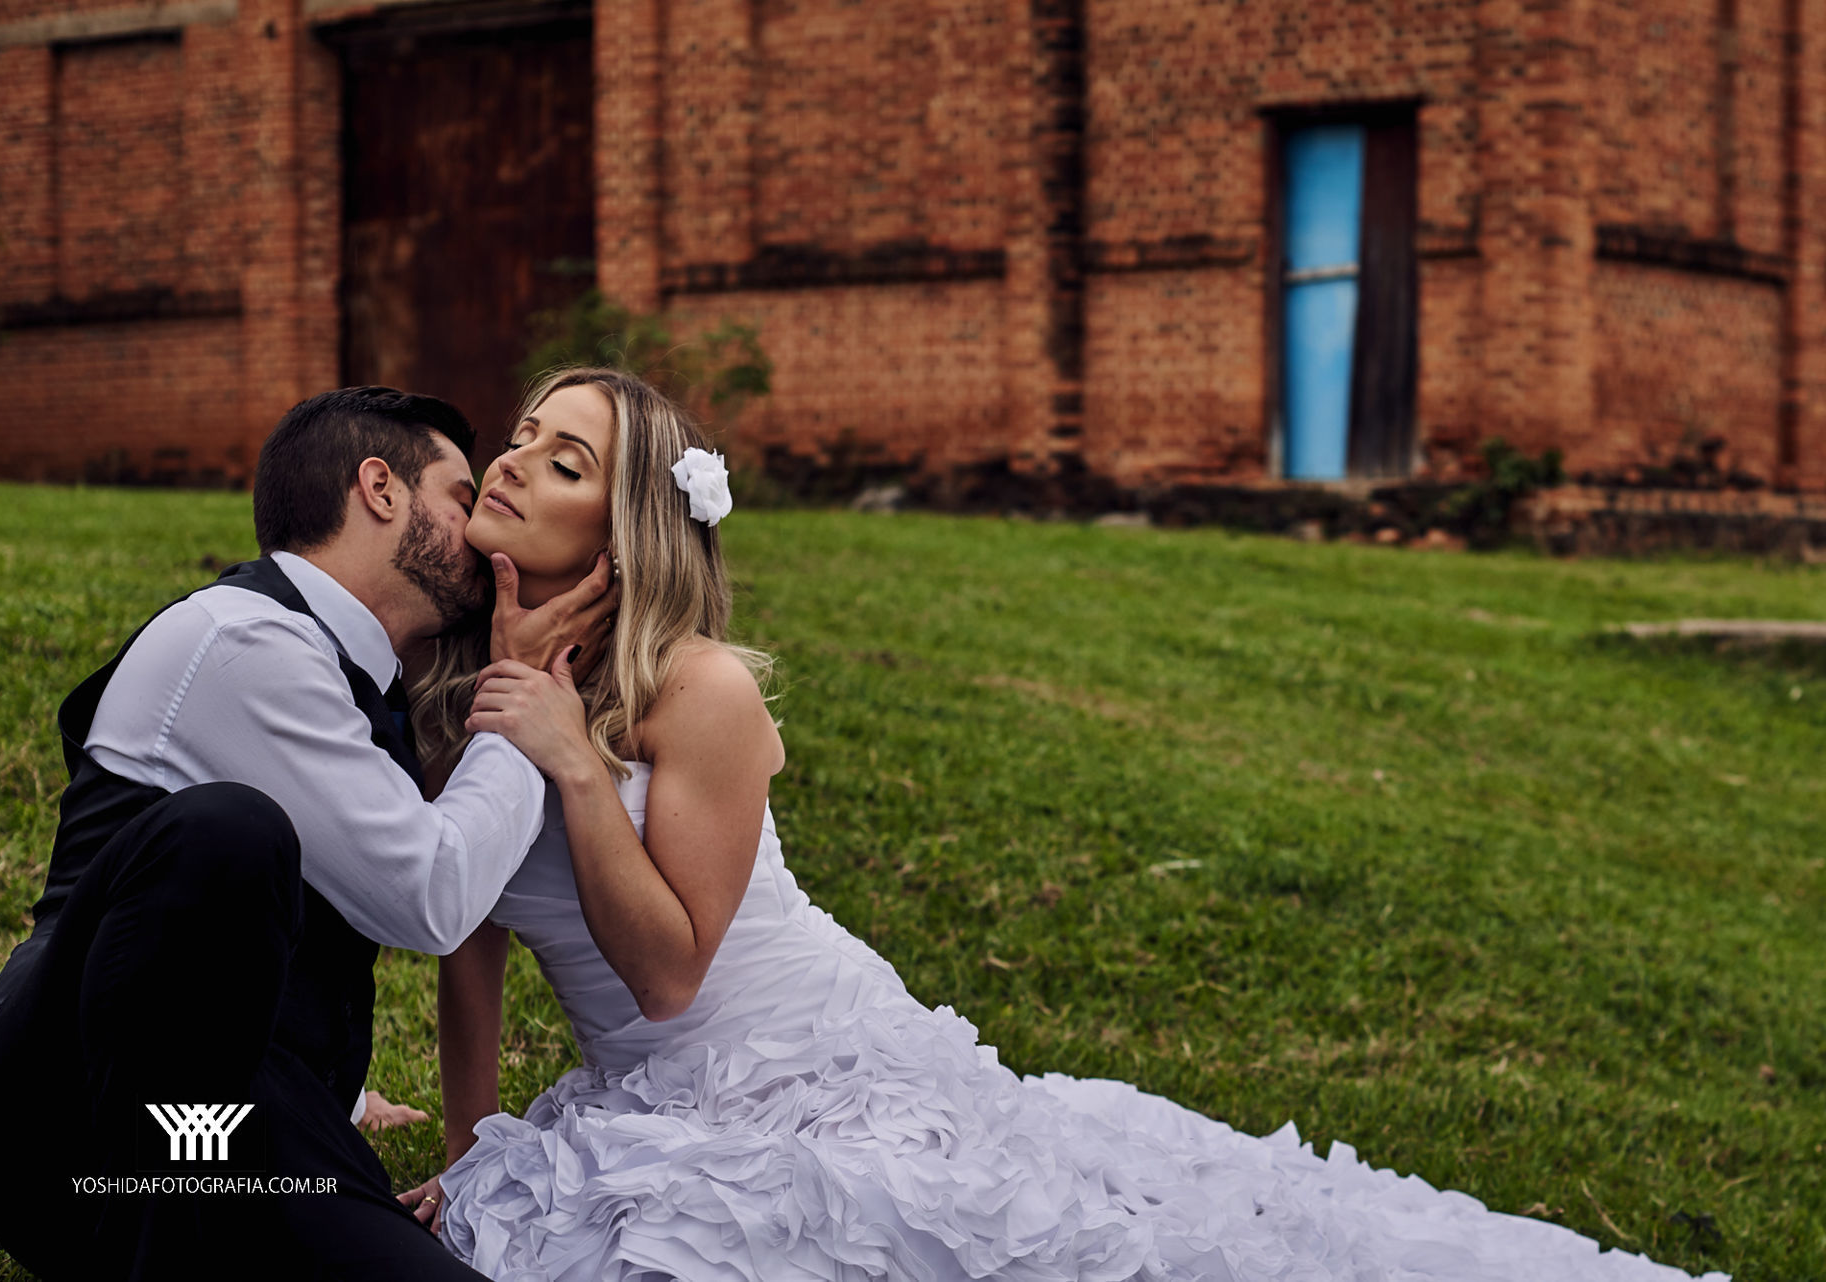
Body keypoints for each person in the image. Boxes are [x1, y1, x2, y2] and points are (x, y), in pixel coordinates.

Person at [404, 367, 1728, 1282]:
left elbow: (671, 968)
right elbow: (464, 929)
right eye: (519, 435)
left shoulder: (700, 688)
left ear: (625, 529)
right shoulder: (453, 689)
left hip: (802, 1068)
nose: (512, 460)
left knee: (1068, 1245)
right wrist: (469, 1161)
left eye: (563, 457)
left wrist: (578, 766)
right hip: (641, 1092)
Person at [0, 387, 617, 1281]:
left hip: (226, 1127)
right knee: (230, 832)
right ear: (381, 490)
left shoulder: (362, 679)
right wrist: (522, 686)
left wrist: (331, 1093)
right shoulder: (242, 642)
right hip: (64, 1119)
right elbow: (434, 896)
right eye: (461, 497)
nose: (483, 520)